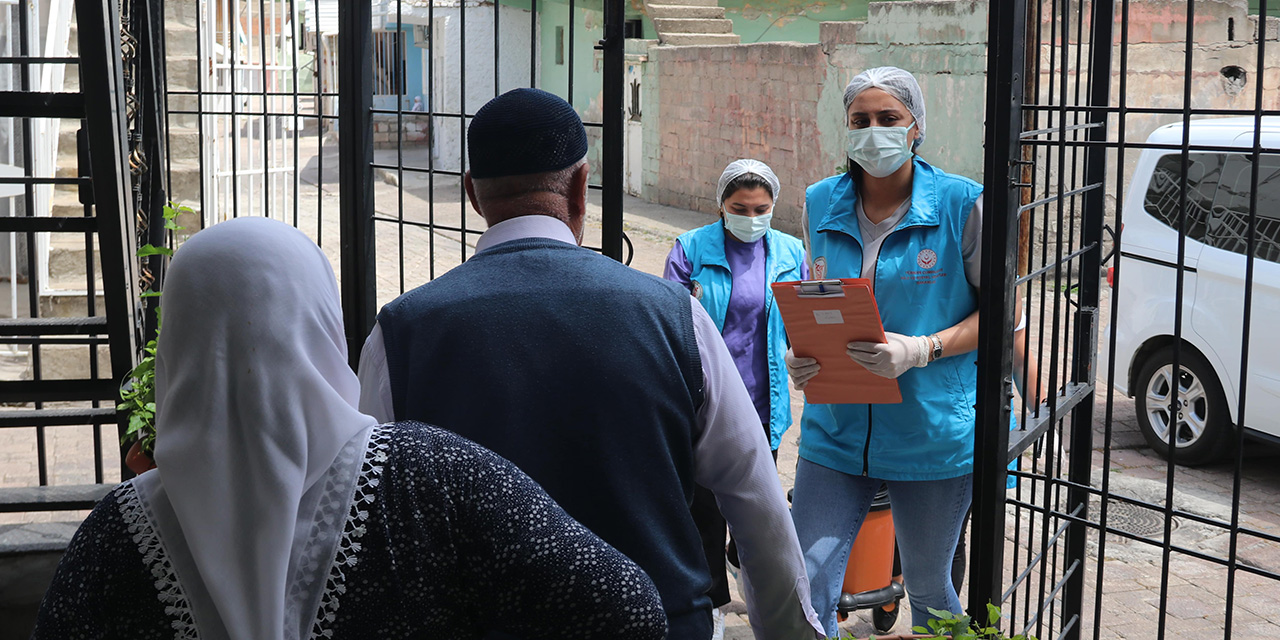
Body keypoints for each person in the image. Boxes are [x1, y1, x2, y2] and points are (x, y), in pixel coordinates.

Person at [32, 217, 668, 640]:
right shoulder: (433, 484)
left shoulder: (116, 542)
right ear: (320, 328)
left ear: (177, 344)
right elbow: (628, 610)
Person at [357, 88, 823, 640]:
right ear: (582, 186)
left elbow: (371, 514)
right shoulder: (675, 317)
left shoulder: (401, 333)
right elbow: (755, 498)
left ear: (473, 197)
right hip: (660, 622)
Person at [783, 66, 987, 635]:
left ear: (915, 126)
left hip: (929, 431)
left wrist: (922, 348)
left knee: (927, 586)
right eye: (861, 120)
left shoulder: (961, 204)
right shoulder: (820, 202)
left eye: (889, 118)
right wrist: (801, 354)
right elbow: (816, 295)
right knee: (805, 582)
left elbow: (1004, 313)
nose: (875, 131)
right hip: (836, 427)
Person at [662, 159, 807, 636]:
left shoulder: (790, 251)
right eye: (739, 208)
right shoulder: (691, 249)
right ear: (721, 205)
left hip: (763, 405)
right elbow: (671, 322)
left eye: (761, 208)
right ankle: (714, 607)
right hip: (703, 403)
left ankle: (751, 581)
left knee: (755, 509)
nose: (751, 216)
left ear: (774, 207)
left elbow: (803, 321)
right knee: (702, 510)